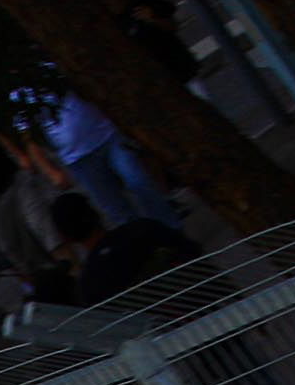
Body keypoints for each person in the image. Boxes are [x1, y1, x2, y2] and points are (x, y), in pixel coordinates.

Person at [38, 91, 179, 234]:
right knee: (115, 208)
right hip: (77, 158)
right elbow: (28, 138)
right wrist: (50, 170)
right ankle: (143, 244)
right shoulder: (19, 94)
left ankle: (172, 231)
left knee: (138, 181)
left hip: (107, 135)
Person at [43, 189, 199, 305]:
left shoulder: (90, 286)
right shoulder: (145, 229)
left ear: (66, 237)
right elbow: (195, 253)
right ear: (96, 213)